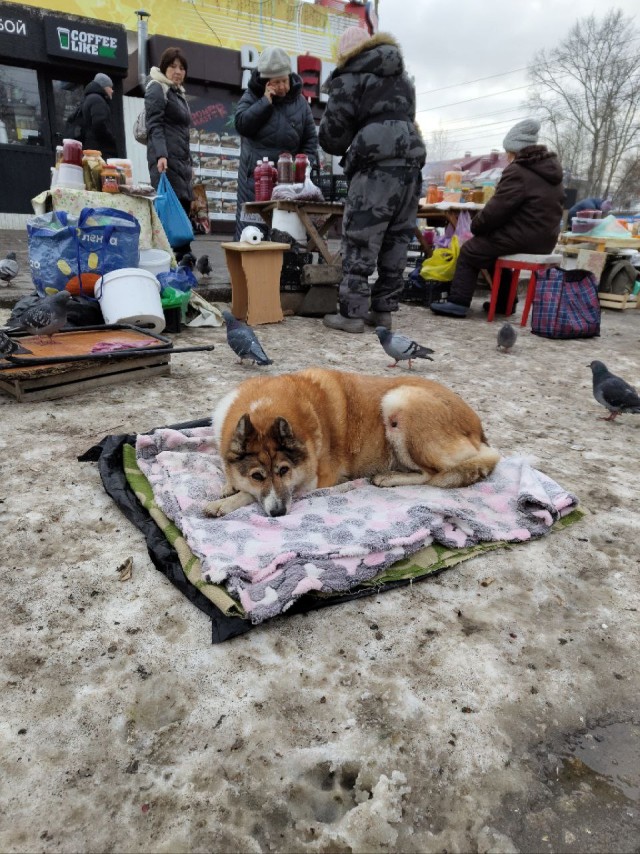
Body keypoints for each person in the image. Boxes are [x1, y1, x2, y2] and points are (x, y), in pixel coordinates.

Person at [319, 28, 426, 333]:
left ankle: (352, 314)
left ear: (345, 54)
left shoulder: (350, 76)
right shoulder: (403, 78)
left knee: (361, 237)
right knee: (398, 236)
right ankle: (383, 311)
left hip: (375, 164)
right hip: (410, 161)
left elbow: (334, 137)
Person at [431, 118, 564, 319]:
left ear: (514, 150)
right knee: (490, 252)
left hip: (524, 236)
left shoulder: (518, 171)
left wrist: (476, 227)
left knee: (471, 250)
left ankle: (457, 303)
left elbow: (497, 210)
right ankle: (505, 303)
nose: (507, 157)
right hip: (545, 239)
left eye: (508, 153)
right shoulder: (551, 171)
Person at [234, 46, 318, 240]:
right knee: (253, 235)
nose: (282, 86)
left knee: (286, 236)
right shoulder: (252, 96)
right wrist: (265, 102)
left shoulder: (301, 104)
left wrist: (303, 167)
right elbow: (241, 125)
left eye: (284, 80)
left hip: (289, 184)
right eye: (276, 82)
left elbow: (310, 141)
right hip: (254, 182)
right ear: (266, 82)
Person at [145, 47, 193, 261]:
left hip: (181, 161)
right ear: (164, 67)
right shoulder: (157, 88)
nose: (178, 71)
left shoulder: (177, 93)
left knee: (181, 205)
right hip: (165, 159)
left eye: (182, 67)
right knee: (168, 208)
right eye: (173, 66)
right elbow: (154, 125)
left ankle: (182, 254)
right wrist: (161, 156)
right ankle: (169, 255)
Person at [81, 72, 118, 158]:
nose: (112, 91)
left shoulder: (89, 98)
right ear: (104, 86)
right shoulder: (98, 100)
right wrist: (111, 139)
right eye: (110, 87)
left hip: (93, 148)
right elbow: (99, 124)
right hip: (100, 150)